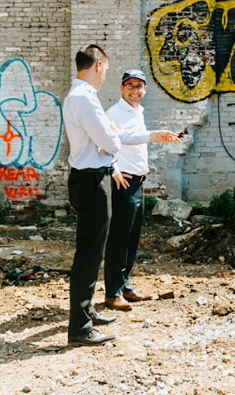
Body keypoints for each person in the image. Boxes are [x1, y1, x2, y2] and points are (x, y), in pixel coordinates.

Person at [62, 45, 129, 347]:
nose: (105, 77)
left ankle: (86, 311)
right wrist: (112, 134)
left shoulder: (77, 96)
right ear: (99, 65)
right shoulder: (85, 98)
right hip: (92, 181)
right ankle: (80, 328)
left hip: (87, 178)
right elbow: (110, 143)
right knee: (89, 254)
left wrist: (109, 134)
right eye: (105, 71)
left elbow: (104, 139)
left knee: (90, 250)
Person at [104, 69, 180, 310]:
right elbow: (112, 140)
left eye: (139, 86)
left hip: (138, 181)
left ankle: (125, 286)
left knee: (132, 238)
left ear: (145, 90)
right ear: (121, 88)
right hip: (124, 182)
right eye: (130, 85)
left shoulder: (138, 111)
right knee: (119, 238)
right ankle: (112, 293)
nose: (134, 90)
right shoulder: (114, 113)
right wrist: (114, 169)